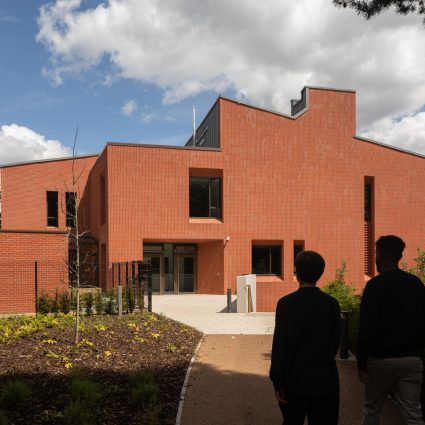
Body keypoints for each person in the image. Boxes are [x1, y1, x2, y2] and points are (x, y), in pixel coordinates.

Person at [357, 235, 425, 425]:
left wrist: (361, 362)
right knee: (413, 413)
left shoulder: (374, 286)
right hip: (412, 359)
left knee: (372, 410)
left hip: (381, 360)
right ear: (400, 256)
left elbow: (366, 327)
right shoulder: (416, 284)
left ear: (378, 255)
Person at [270, 251, 341, 425]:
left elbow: (280, 345)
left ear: (297, 272)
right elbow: (334, 343)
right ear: (320, 272)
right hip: (325, 379)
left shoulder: (286, 304)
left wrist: (277, 380)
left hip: (294, 381)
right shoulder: (331, 304)